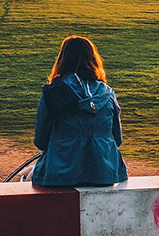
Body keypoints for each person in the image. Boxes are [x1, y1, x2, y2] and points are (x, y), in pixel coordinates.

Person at [31, 36, 128, 187]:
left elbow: (40, 141)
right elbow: (117, 138)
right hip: (104, 172)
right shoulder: (108, 93)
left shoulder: (54, 92)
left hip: (61, 173)